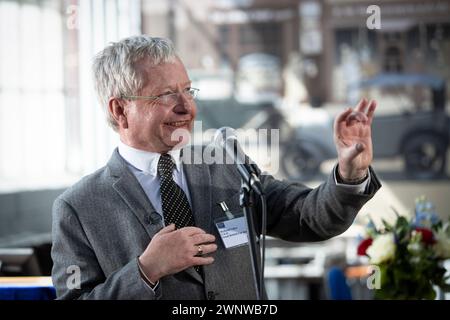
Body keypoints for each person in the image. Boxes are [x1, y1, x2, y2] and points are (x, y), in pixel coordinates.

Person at [51, 35, 381, 300]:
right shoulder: (78, 208)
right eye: (166, 95)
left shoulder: (226, 166)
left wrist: (350, 174)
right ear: (120, 110)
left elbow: (309, 218)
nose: (186, 107)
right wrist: (146, 270)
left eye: (187, 90)